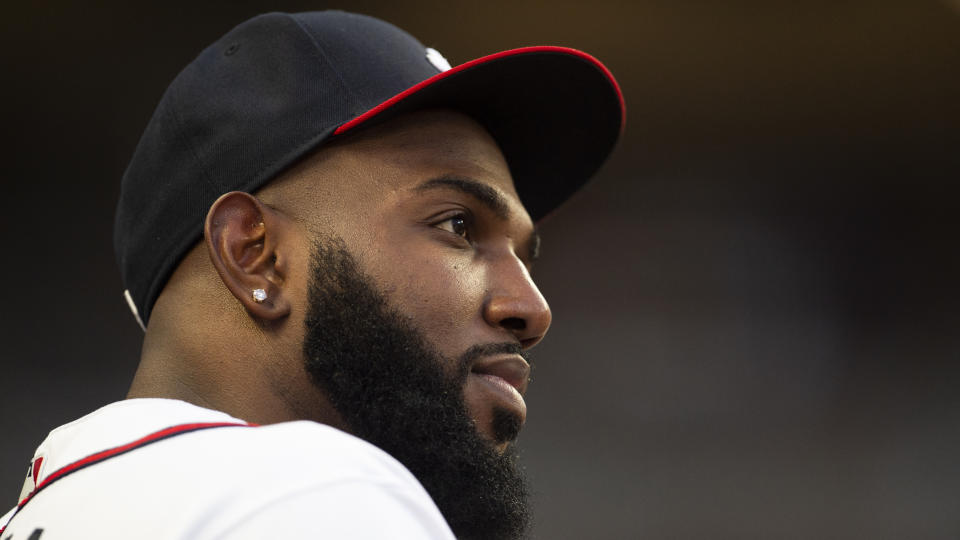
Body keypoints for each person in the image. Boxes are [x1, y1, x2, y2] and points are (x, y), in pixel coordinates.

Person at [1, 10, 623, 540]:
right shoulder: (316, 493)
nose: (532, 308)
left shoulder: (49, 512)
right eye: (458, 226)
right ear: (255, 255)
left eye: (524, 254)